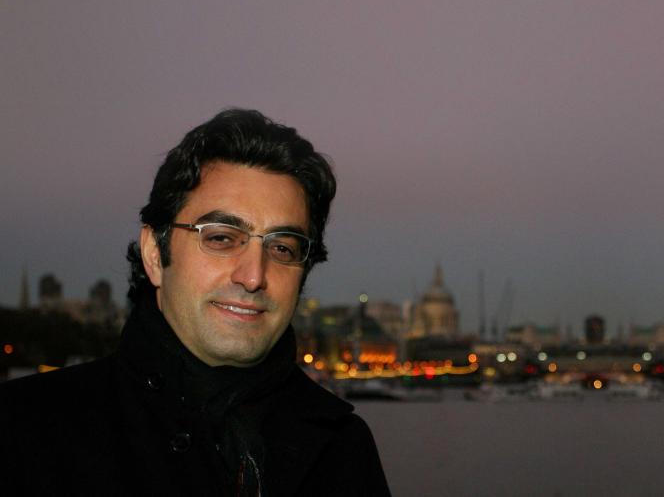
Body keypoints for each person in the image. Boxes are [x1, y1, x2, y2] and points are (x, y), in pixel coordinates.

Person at [0, 109, 391, 496]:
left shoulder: (343, 448)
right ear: (155, 253)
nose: (253, 276)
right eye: (220, 237)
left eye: (282, 247)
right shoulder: (27, 430)